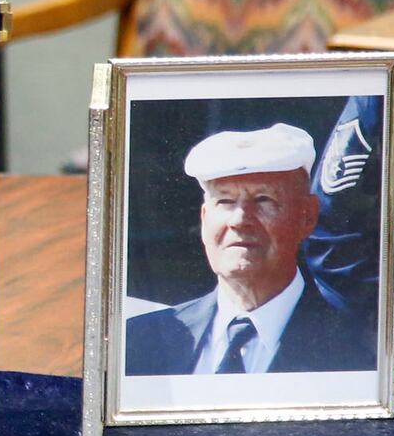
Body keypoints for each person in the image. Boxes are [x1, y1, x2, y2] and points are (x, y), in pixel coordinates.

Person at [124, 122, 375, 375]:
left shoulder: (357, 345)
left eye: (263, 200)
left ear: (307, 216)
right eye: (225, 201)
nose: (239, 220)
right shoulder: (141, 340)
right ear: (204, 218)